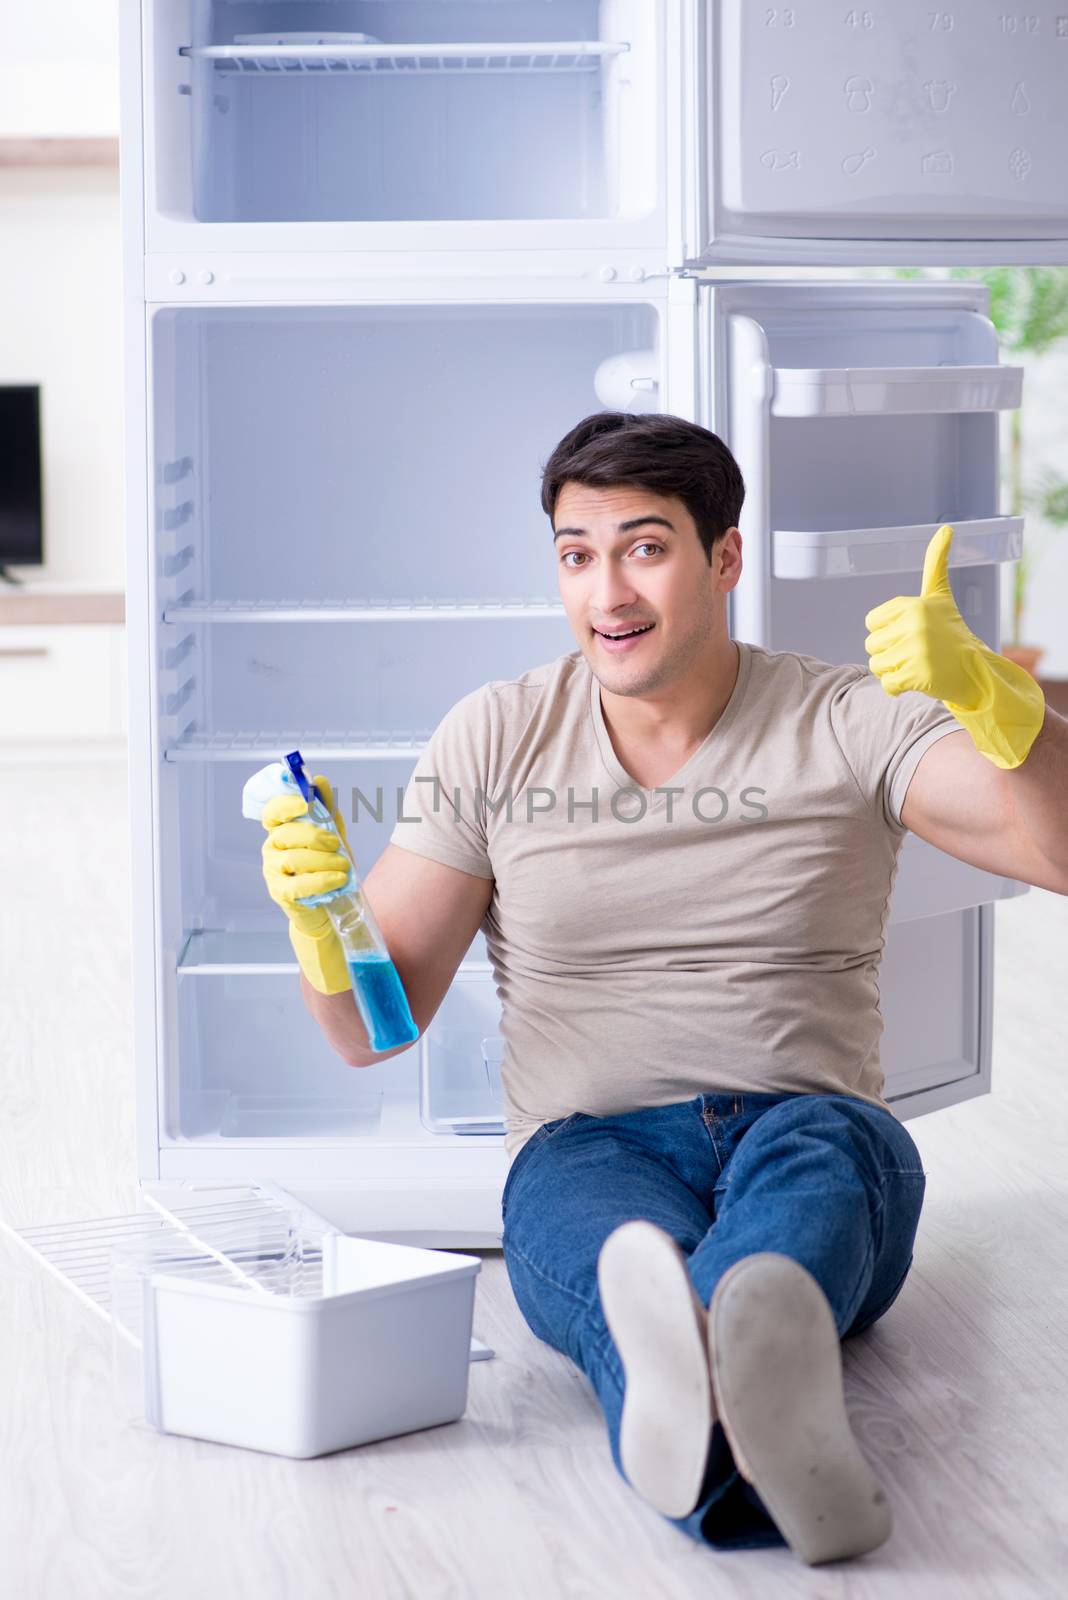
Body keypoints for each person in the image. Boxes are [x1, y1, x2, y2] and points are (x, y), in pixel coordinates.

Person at [258, 413, 1062, 1565]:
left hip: (810, 1118)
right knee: (614, 1242)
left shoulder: (845, 719)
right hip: (588, 1143)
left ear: (723, 558)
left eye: (645, 546)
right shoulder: (496, 734)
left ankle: (725, 1350)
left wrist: (1001, 708)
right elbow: (370, 1032)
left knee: (814, 1181)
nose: (608, 590)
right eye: (577, 553)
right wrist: (320, 922)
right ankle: (756, 1404)